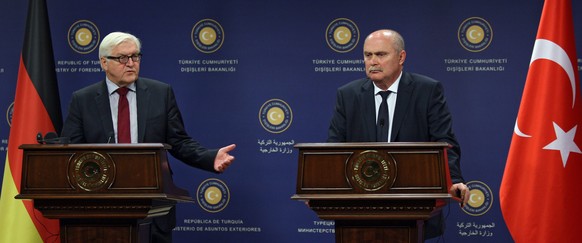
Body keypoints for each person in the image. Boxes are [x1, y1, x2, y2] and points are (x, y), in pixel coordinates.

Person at [61, 31, 236, 242]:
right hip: (101, 205)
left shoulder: (160, 93)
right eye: (122, 58)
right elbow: (71, 150)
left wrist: (210, 157)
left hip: (152, 205)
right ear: (104, 62)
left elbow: (178, 142)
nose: (131, 63)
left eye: (135, 56)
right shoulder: (83, 99)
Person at [327, 29, 470, 239]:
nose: (373, 61)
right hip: (360, 210)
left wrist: (454, 180)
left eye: (381, 54)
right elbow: (334, 148)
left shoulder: (427, 90)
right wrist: (323, 188)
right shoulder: (348, 95)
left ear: (401, 57)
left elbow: (444, 141)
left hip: (413, 206)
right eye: (368, 55)